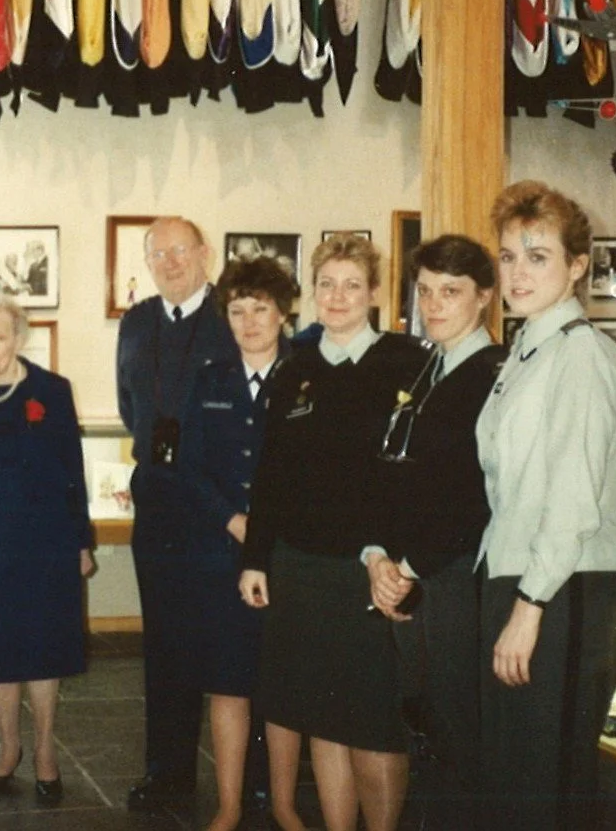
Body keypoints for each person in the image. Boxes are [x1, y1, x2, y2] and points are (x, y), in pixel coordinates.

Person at [239, 233, 427, 831]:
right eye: (327, 284)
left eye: (352, 284)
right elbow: (268, 476)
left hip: (368, 575)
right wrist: (255, 559)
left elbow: (419, 476)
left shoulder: (408, 363)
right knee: (321, 718)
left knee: (372, 725)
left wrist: (398, 563)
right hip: (299, 569)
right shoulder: (294, 370)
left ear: (374, 292)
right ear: (311, 294)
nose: (339, 296)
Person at [476, 181, 616, 830]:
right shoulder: (528, 350)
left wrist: (529, 606)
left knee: (552, 787)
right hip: (528, 581)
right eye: (509, 255)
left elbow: (569, 501)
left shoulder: (579, 355)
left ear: (576, 265)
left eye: (537, 255)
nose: (517, 271)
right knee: (522, 780)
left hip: (566, 592)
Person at [364, 235, 505, 829]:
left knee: (455, 738)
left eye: (451, 291)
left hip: (454, 580)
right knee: (419, 728)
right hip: (406, 578)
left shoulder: (493, 375)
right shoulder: (425, 368)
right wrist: (376, 557)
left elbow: (476, 497)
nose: (435, 304)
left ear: (484, 299)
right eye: (425, 291)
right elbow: (386, 474)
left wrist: (409, 570)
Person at [0, 294, 94, 802]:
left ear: (20, 339)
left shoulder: (51, 391)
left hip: (44, 541)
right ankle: (8, 749)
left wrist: (82, 540)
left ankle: (46, 753)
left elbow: (72, 471)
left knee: (42, 649)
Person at [116, 216, 240, 810]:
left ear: (205, 253)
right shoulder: (136, 323)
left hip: (215, 507)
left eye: (180, 250)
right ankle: (167, 771)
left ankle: (249, 786)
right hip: (159, 502)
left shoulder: (231, 318)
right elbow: (128, 404)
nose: (169, 263)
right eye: (157, 253)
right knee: (163, 644)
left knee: (226, 645)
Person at [180, 257, 303, 831]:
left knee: (281, 685)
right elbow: (190, 467)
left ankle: (281, 804)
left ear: (283, 313)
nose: (249, 322)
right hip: (221, 553)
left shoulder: (307, 376)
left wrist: (272, 527)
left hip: (289, 555)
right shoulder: (208, 379)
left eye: (261, 309)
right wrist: (232, 520)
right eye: (237, 311)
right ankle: (228, 806)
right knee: (228, 684)